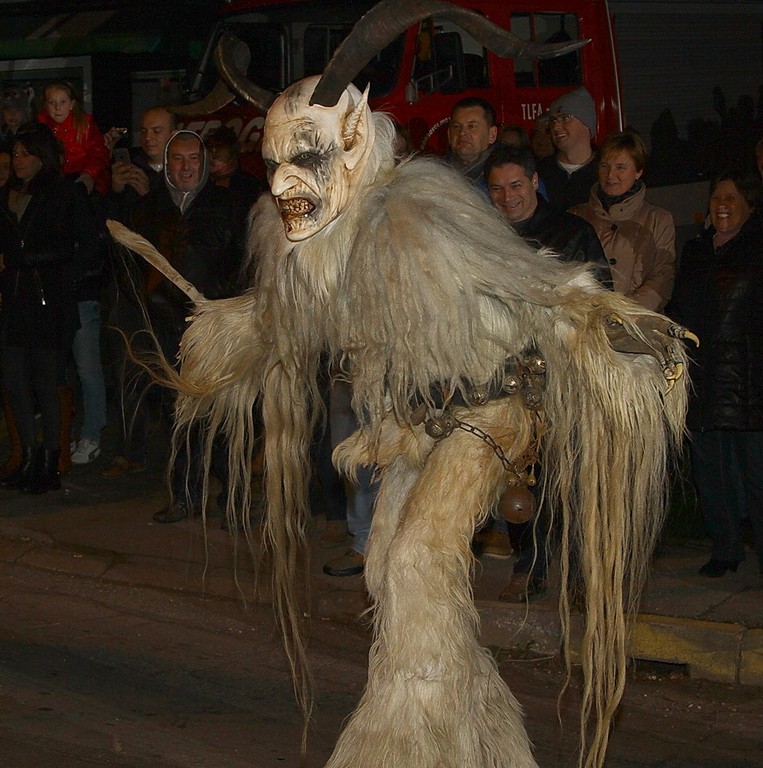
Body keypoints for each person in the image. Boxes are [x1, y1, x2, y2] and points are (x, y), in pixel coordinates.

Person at [484, 144, 611, 601]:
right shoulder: (483, 235)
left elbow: (601, 296)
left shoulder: (571, 231)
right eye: (497, 188)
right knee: (515, 474)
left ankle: (578, 571)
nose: (507, 197)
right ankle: (528, 564)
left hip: (562, 373)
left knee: (570, 476)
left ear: (535, 181)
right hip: (505, 374)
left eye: (516, 185)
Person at [115, 130, 248, 522]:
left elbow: (245, 265)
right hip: (165, 328)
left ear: (204, 163)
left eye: (193, 158)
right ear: (167, 163)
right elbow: (128, 264)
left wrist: (231, 313)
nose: (186, 167)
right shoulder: (148, 208)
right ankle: (185, 496)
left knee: (224, 418)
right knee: (178, 417)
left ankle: (234, 500)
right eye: (178, 159)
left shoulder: (228, 205)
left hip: (214, 328)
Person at [669, 169, 763, 577]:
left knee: (758, 476)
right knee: (711, 472)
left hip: (749, 379)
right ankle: (725, 548)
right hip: (703, 377)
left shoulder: (758, 247)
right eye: (716, 198)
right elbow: (680, 307)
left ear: (749, 205)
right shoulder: (695, 250)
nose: (722, 205)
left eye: (731, 198)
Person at [0, 123, 103, 494]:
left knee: (48, 381)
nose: (18, 160)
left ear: (43, 157)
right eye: (14, 154)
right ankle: (27, 455)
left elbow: (89, 245)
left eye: (25, 153)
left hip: (48, 301)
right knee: (14, 380)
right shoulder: (7, 194)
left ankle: (50, 460)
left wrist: (60, 279)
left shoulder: (64, 193)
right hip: (13, 300)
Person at [570, 130, 676, 312]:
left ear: (638, 171)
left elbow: (663, 276)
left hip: (638, 326)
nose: (610, 175)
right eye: (605, 166)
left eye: (620, 167)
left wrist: (624, 313)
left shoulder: (658, 220)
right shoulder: (575, 216)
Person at [37, 81, 110, 196]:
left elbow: (98, 153)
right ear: (45, 105)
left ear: (72, 104)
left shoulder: (84, 124)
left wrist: (89, 174)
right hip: (53, 184)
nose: (57, 107)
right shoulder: (40, 127)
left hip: (85, 181)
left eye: (63, 102)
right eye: (52, 102)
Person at [536, 86, 598, 210]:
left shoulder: (606, 171)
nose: (556, 126)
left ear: (586, 124)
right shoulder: (540, 171)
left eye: (565, 118)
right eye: (553, 120)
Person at [443, 96, 498, 189]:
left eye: (472, 126)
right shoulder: (436, 173)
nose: (462, 133)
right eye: (456, 126)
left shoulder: (505, 173)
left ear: (492, 134)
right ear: (448, 134)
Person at [203, 125, 265, 207]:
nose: (213, 151)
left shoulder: (249, 184)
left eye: (219, 146)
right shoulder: (200, 183)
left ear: (232, 149)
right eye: (210, 146)